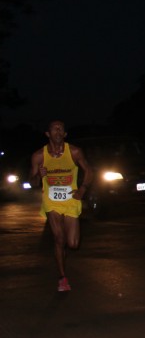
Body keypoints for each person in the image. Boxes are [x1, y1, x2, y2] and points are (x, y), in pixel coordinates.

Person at [29, 120, 93, 292]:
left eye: (61, 129)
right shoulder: (39, 156)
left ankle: (62, 252)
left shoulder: (74, 151)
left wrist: (83, 189)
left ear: (64, 134)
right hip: (51, 200)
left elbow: (89, 171)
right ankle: (62, 278)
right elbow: (32, 181)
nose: (58, 131)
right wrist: (38, 176)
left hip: (71, 198)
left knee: (72, 244)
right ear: (48, 134)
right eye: (54, 129)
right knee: (59, 239)